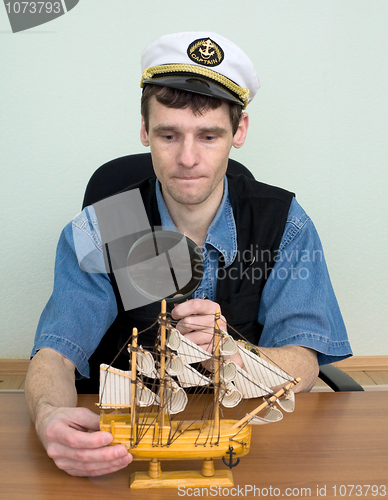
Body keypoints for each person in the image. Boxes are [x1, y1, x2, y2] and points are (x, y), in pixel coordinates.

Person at [25, 32, 352, 477]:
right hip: (127, 446)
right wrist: (48, 418)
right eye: (168, 134)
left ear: (240, 132)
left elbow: (306, 359)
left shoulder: (283, 223)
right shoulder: (106, 227)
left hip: (244, 442)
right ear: (144, 131)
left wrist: (239, 357)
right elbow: (55, 355)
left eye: (210, 135)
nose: (188, 158)